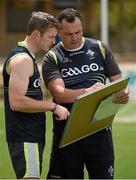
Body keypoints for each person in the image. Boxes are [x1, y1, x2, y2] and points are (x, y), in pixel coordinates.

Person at [42, 8, 129, 179]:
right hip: (68, 131)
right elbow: (59, 94)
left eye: (78, 32)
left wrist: (122, 94)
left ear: (83, 27)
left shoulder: (99, 48)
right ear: (59, 31)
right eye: (68, 34)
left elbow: (118, 83)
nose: (74, 37)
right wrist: (87, 93)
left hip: (99, 128)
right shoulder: (52, 57)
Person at [2, 11, 70, 179]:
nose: (54, 42)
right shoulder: (23, 60)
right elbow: (16, 102)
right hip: (25, 137)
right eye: (51, 36)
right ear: (37, 34)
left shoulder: (27, 58)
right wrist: (53, 106)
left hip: (29, 136)